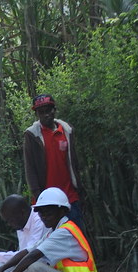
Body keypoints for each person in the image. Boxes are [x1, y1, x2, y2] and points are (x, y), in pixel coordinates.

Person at [0, 187, 97, 272]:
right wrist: (3, 269)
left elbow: (34, 256)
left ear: (62, 211)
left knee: (35, 268)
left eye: (48, 214)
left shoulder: (64, 232)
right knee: (22, 269)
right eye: (42, 214)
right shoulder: (53, 231)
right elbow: (27, 251)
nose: (44, 218)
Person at [24, 94, 85, 230]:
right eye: (41, 112)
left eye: (48, 110)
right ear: (37, 114)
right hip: (46, 201)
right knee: (50, 244)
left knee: (76, 237)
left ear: (54, 110)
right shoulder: (32, 135)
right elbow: (30, 168)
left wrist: (79, 188)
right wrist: (38, 195)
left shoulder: (66, 131)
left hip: (69, 196)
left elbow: (74, 163)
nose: (46, 115)